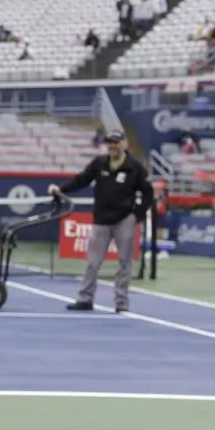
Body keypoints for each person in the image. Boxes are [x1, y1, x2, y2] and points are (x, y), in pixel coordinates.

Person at [48, 130, 152, 313]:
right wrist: (61, 189)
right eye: (110, 142)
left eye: (116, 142)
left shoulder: (134, 167)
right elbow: (82, 180)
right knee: (92, 262)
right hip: (101, 219)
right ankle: (85, 298)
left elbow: (147, 192)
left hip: (124, 219)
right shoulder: (99, 163)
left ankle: (121, 302)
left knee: (124, 263)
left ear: (124, 144)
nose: (112, 145)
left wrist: (137, 215)